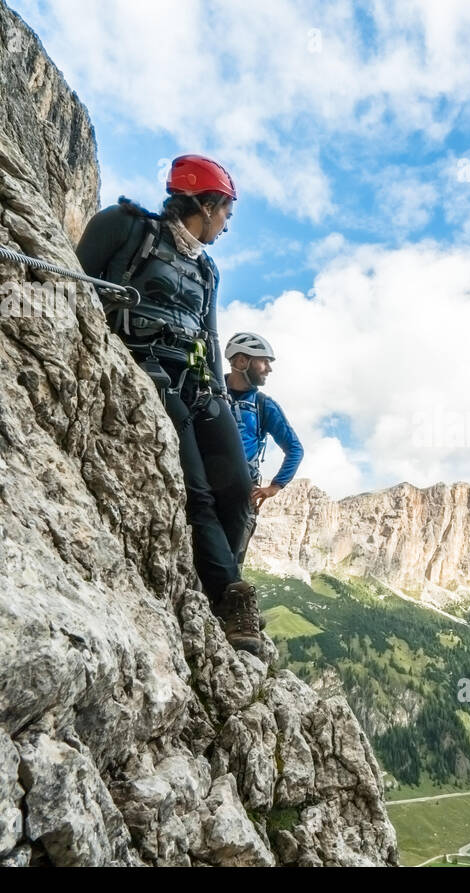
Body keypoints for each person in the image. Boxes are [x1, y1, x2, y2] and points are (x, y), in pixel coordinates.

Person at [74, 154, 259, 649]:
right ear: (207, 202)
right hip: (145, 368)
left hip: (197, 379)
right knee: (194, 486)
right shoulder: (125, 227)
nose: (226, 225)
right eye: (226, 214)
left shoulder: (207, 269)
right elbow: (74, 285)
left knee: (238, 491)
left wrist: (219, 395)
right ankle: (230, 597)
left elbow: (211, 333)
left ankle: (223, 577)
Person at [223, 332, 304, 565]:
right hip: (204, 487)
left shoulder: (263, 405)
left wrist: (274, 487)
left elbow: (295, 449)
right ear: (241, 361)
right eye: (264, 361)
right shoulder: (209, 390)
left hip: (241, 492)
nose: (269, 369)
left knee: (230, 565)